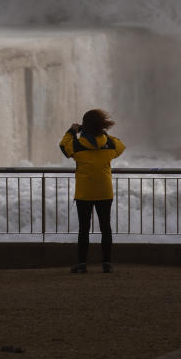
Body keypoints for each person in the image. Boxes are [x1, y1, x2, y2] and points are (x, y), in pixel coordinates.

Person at [58, 109, 126, 273]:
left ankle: (82, 264)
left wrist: (72, 131)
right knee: (106, 227)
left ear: (85, 126)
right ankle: (107, 263)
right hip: (105, 191)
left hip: (85, 192)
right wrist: (103, 134)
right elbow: (121, 146)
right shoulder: (109, 144)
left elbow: (63, 146)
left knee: (84, 228)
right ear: (102, 126)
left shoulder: (77, 145)